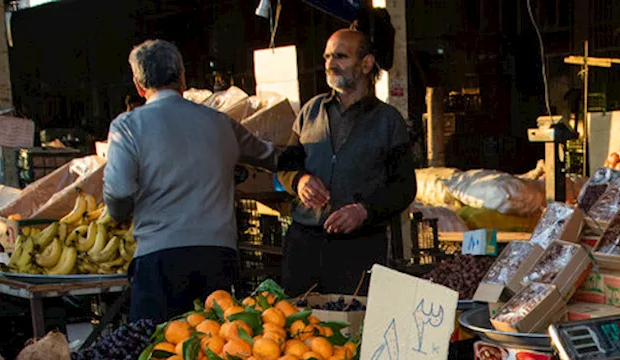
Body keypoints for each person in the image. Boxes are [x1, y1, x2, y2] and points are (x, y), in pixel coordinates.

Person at [104, 40, 277, 322]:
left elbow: (119, 193)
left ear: (138, 85)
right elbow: (269, 156)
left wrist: (120, 215)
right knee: (220, 350)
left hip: (159, 260)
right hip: (217, 257)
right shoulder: (221, 123)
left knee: (157, 352)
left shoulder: (127, 126)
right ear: (183, 78)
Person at [276, 27, 417, 297]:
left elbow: (404, 187)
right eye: (327, 56)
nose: (330, 64)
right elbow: (286, 166)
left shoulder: (388, 121)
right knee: (297, 330)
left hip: (359, 248)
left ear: (366, 63)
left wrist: (364, 211)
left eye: (340, 56)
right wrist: (299, 180)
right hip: (304, 244)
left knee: (351, 330)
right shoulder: (311, 111)